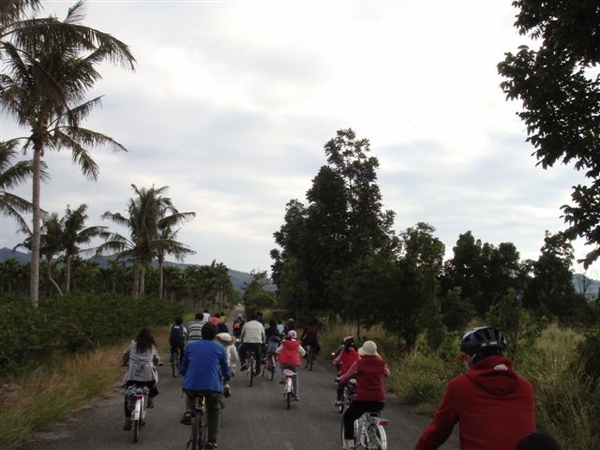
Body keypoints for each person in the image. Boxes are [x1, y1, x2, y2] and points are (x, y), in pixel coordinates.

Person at [415, 326, 535, 450]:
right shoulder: (526, 387)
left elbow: (437, 432)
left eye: (466, 356)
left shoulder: (459, 386)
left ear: (473, 356)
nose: (465, 361)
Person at [180, 322, 232, 450]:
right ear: (215, 335)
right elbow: (226, 369)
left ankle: (189, 411)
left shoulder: (190, 346)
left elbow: (183, 366)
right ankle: (211, 441)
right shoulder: (219, 348)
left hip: (191, 385)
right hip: (212, 387)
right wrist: (228, 376)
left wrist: (183, 372)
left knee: (190, 394)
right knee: (214, 410)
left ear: (201, 334)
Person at [337, 340, 389, 450]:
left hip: (363, 399)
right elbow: (386, 373)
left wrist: (340, 380)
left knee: (349, 417)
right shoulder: (381, 363)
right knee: (374, 415)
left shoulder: (359, 364)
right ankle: (373, 435)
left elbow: (347, 376)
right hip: (379, 400)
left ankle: (350, 445)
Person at [122, 328, 162, 430]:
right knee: (152, 385)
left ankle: (127, 419)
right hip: (147, 376)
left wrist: (125, 362)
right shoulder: (151, 346)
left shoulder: (133, 344)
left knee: (127, 395)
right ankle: (149, 399)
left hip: (133, 375)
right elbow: (156, 359)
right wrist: (158, 363)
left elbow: (126, 355)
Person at [276, 330, 305, 400]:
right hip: (294, 363)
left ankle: (283, 377)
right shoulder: (297, 344)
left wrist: (279, 353)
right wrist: (301, 354)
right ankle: (296, 394)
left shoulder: (284, 343)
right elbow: (303, 352)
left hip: (284, 362)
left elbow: (277, 350)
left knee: (281, 367)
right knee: (295, 378)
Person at [332, 335, 360, 406]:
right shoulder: (357, 353)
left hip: (345, 373)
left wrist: (334, 362)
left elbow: (337, 360)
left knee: (340, 386)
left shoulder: (344, 353)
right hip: (356, 374)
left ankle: (339, 400)